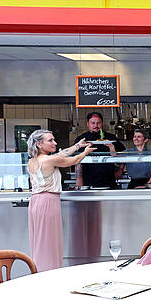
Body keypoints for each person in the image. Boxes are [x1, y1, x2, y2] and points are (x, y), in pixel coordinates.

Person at [26, 130, 95, 270]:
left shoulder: (32, 161)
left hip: (35, 201)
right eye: (50, 140)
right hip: (48, 201)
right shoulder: (50, 160)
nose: (55, 143)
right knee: (49, 241)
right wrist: (85, 151)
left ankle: (39, 270)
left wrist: (77, 146)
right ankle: (48, 272)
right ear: (39, 144)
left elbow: (61, 154)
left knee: (39, 241)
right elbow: (74, 160)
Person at [74, 112, 126, 189]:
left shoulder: (111, 138)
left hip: (109, 181)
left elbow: (124, 153)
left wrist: (120, 170)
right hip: (88, 181)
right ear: (88, 124)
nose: (96, 126)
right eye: (93, 123)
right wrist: (79, 178)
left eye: (98, 123)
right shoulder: (81, 139)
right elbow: (77, 160)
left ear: (102, 123)